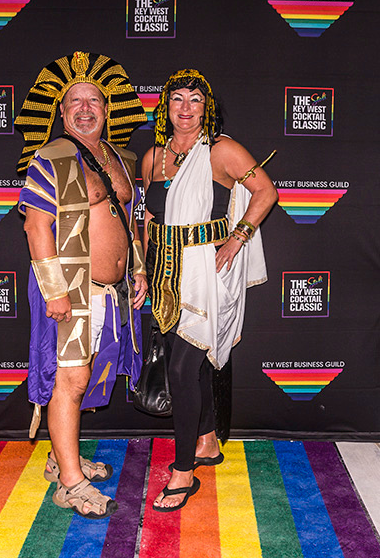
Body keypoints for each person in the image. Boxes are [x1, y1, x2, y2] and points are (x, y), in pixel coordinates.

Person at [15, 51, 148, 519]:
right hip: (70, 289)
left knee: (88, 377)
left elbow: (129, 219)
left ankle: (59, 457)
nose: (86, 108)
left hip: (110, 293)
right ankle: (69, 484)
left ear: (107, 111)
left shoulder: (120, 158)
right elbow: (36, 226)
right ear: (62, 111)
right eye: (76, 101)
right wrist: (54, 289)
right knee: (70, 381)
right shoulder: (50, 157)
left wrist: (138, 269)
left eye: (95, 100)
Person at [141, 69, 278, 511]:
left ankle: (182, 473)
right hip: (164, 272)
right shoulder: (153, 158)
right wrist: (143, 270)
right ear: (165, 107)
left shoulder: (221, 150)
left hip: (205, 267)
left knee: (182, 369)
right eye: (177, 99)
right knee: (193, 365)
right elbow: (148, 220)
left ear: (207, 107)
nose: (185, 108)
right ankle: (206, 442)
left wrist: (238, 237)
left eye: (195, 100)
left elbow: (265, 192)